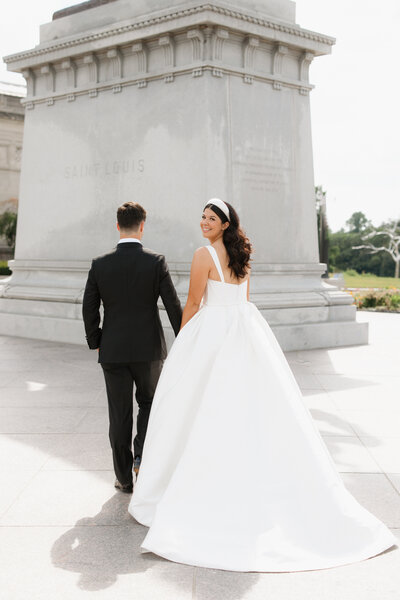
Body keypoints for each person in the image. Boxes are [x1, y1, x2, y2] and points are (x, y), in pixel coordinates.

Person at [128, 198, 396, 572]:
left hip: (213, 330)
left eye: (211, 218)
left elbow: (192, 302)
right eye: (202, 217)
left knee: (197, 403)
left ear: (224, 224)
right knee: (248, 404)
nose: (204, 222)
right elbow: (245, 301)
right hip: (245, 330)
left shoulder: (203, 254)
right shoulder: (241, 255)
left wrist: (183, 344)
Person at [82, 201, 182, 494]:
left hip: (112, 350)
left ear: (117, 226)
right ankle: (141, 456)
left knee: (119, 413)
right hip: (149, 349)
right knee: (150, 403)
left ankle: (123, 478)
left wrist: (97, 341)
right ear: (142, 226)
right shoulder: (156, 262)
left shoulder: (100, 264)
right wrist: (184, 338)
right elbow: (172, 305)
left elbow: (90, 308)